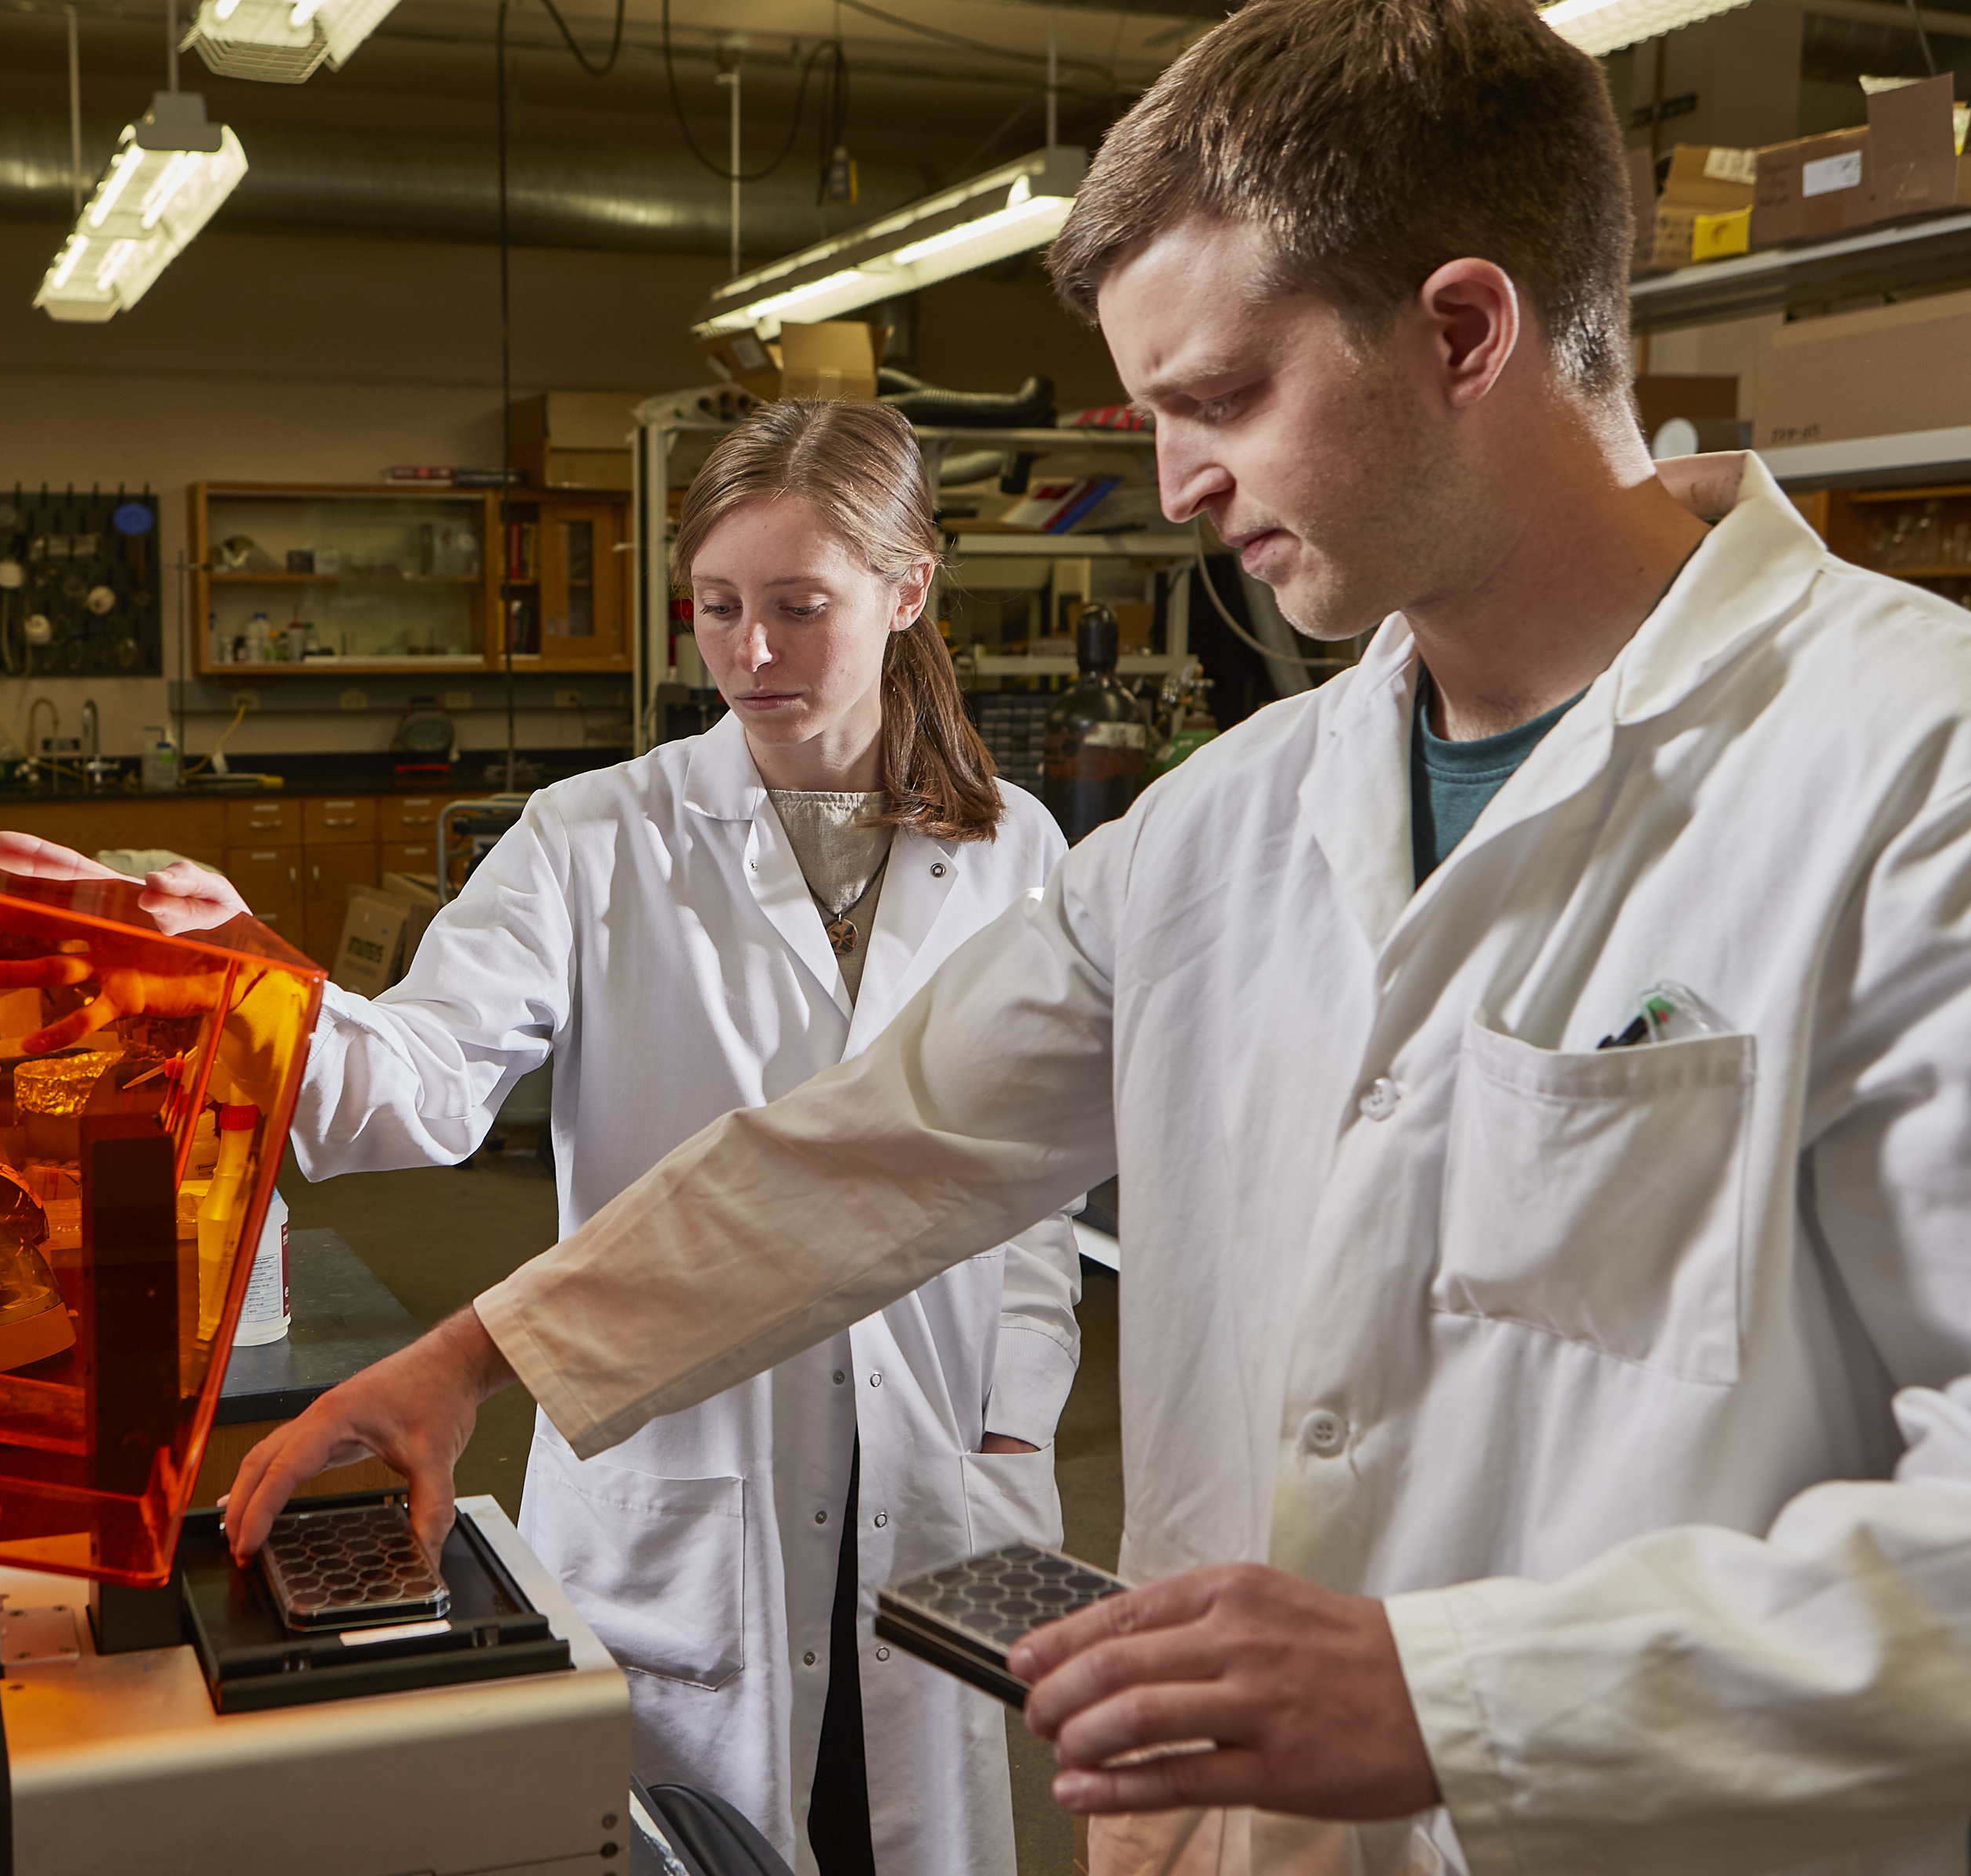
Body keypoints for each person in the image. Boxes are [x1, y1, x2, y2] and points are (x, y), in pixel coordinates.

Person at [220, 4, 1971, 1873]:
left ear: (1466, 330)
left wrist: (1463, 1696)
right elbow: (870, 1153)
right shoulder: (1226, 827)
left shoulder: (1907, 776)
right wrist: (474, 1356)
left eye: (1217, 399)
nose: (1177, 486)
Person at [0, 400, 1084, 1876]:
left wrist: (1017, 1399)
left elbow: (1035, 1156)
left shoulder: (1014, 844)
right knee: (687, 1840)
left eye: (798, 608)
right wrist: (249, 980)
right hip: (693, 1468)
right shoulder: (595, 837)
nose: (751, 652)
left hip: (941, 1462)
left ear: (909, 592)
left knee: (916, 1824)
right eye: (717, 608)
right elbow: (426, 1082)